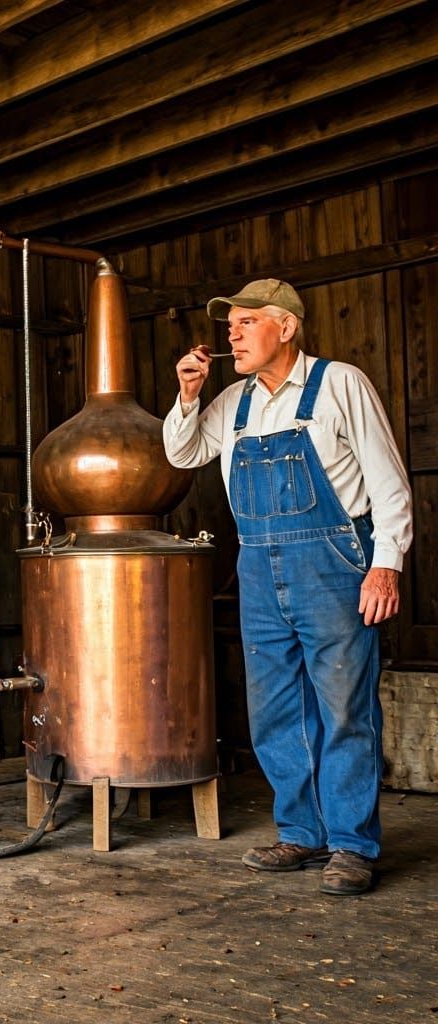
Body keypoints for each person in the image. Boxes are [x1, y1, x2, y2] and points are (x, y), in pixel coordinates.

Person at [162, 278, 412, 896]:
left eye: (246, 323)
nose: (233, 334)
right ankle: (302, 832)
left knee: (344, 707)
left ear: (287, 327)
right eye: (230, 327)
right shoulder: (233, 402)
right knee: (274, 707)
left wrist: (387, 565)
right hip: (257, 568)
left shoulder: (340, 384)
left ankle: (352, 845)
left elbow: (389, 484)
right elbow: (183, 454)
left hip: (333, 564)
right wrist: (188, 395)